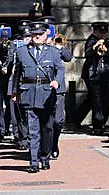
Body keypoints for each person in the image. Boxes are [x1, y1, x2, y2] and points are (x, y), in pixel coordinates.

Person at [11, 21, 64, 173]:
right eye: (34, 35)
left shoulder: (53, 52)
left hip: (47, 93)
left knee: (47, 129)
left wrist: (57, 82)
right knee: (32, 130)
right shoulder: (21, 51)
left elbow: (60, 70)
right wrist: (15, 92)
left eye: (40, 34)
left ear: (45, 35)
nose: (37, 37)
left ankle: (45, 157)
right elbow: (17, 73)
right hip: (28, 93)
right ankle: (33, 162)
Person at [39, 16, 72, 159]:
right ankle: (44, 147)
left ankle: (54, 143)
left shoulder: (58, 44)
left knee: (58, 121)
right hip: (42, 86)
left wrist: (60, 47)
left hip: (58, 88)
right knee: (45, 120)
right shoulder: (38, 43)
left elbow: (68, 57)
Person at [82, 21, 109, 133]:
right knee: (96, 100)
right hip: (93, 74)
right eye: (100, 32)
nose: (102, 34)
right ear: (95, 31)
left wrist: (107, 50)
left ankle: (102, 122)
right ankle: (97, 125)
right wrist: (95, 47)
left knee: (106, 100)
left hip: (106, 74)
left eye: (104, 32)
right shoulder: (90, 40)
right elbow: (87, 54)